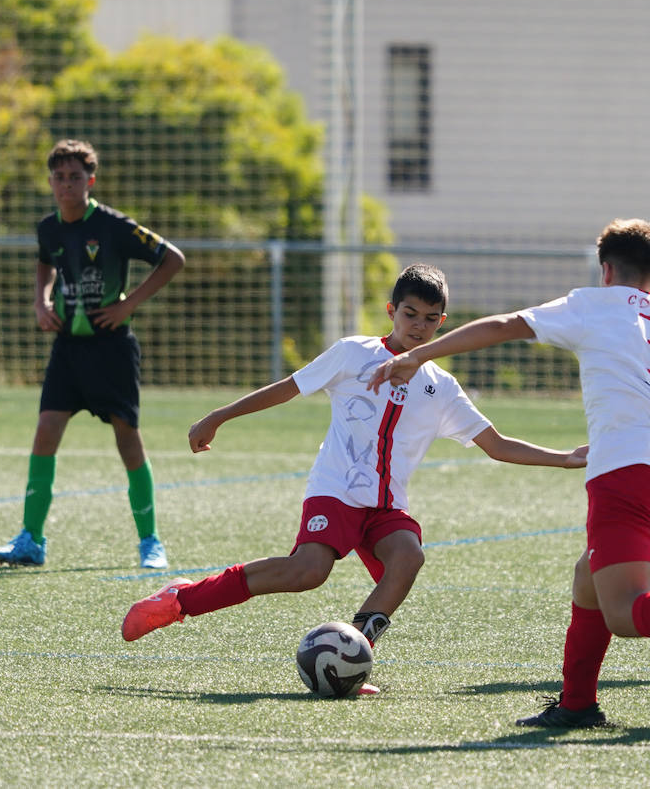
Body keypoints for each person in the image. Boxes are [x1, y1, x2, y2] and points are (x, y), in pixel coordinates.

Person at [368, 222, 650, 726]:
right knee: (587, 579)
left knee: (625, 612)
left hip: (623, 471)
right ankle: (577, 704)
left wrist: (418, 354)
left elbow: (506, 324)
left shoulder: (592, 304)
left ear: (605, 270)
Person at [121, 263, 588, 695]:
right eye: (409, 314)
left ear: (442, 323)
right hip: (337, 491)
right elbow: (288, 388)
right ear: (392, 311)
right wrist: (218, 416)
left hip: (385, 506)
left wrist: (566, 458)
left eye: (429, 318)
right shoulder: (352, 353)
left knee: (408, 557)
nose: (417, 326)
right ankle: (182, 598)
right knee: (308, 572)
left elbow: (496, 443)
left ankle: (351, 659)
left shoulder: (441, 387)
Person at [0, 139, 185, 569]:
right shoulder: (49, 227)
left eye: (75, 177)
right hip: (68, 351)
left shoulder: (114, 226)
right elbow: (45, 262)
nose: (66, 185)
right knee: (45, 433)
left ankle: (151, 542)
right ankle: (31, 540)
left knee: (127, 441)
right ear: (50, 182)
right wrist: (41, 301)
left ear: (90, 180)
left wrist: (128, 303)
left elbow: (173, 258)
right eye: (59, 177)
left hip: (112, 350)